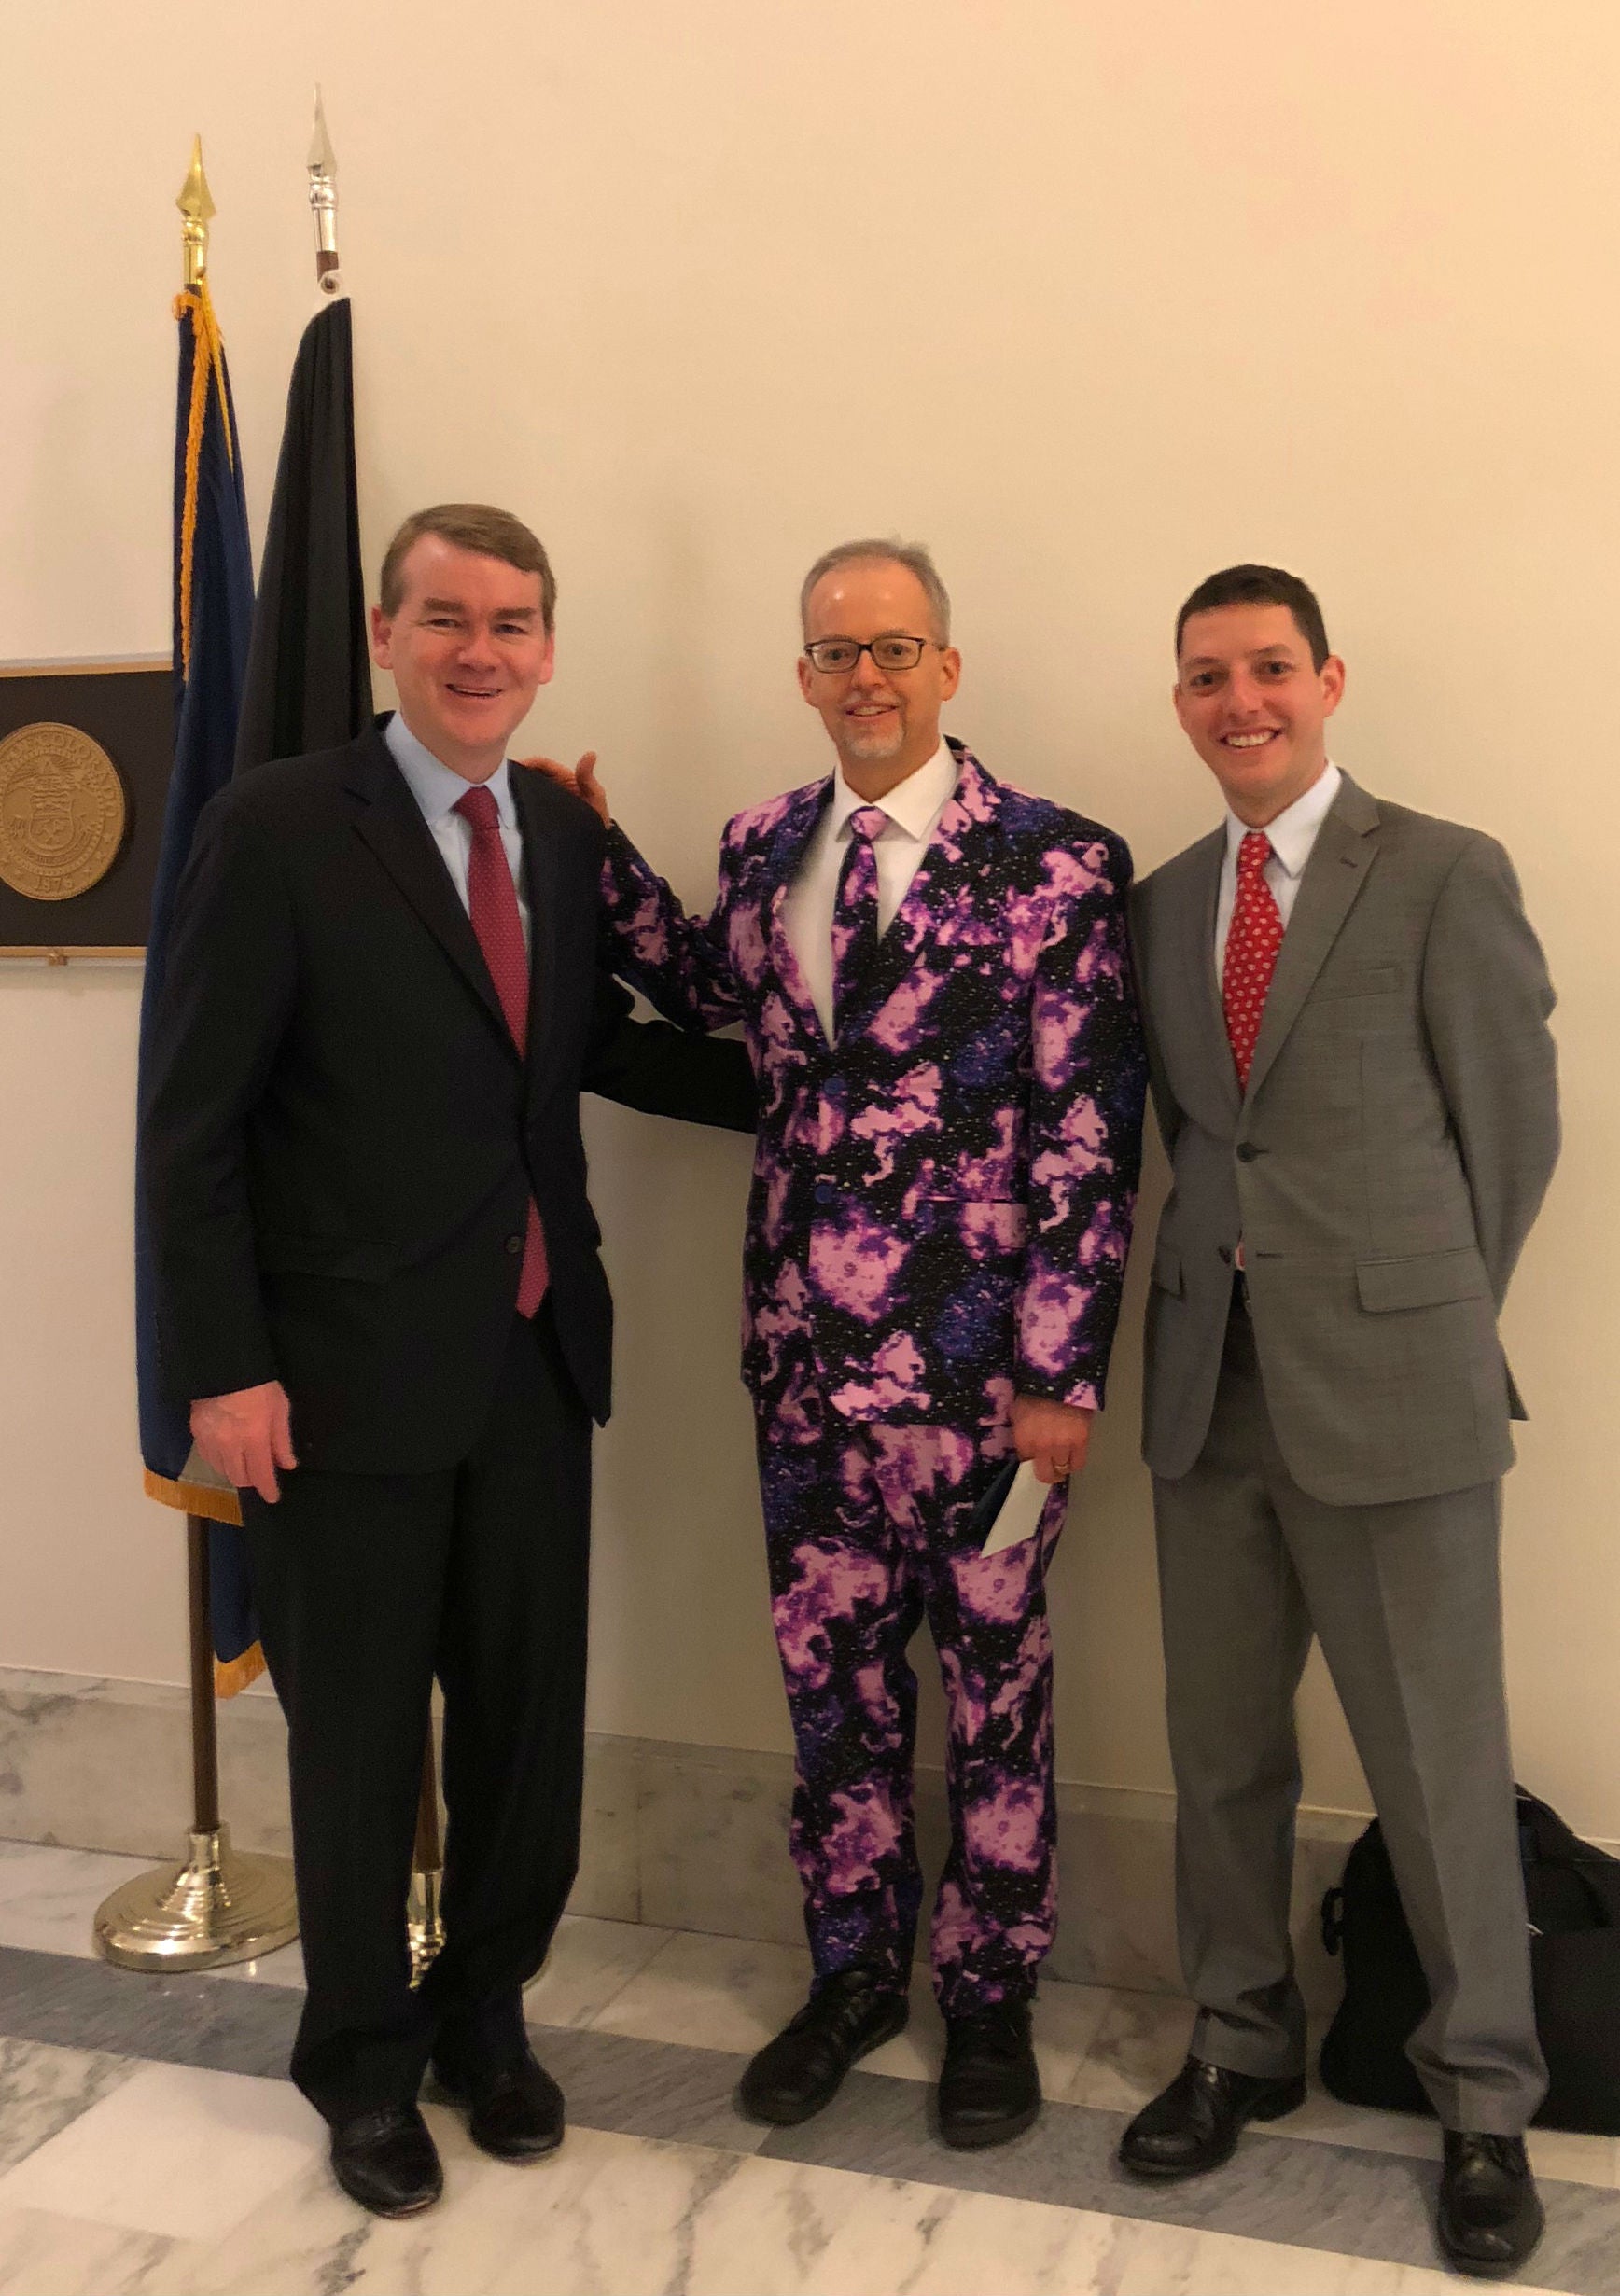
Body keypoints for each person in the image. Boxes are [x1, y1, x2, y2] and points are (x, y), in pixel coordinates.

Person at [140, 504, 755, 2219]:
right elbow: (193, 1124)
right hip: (331, 1380)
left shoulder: (556, 836)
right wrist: (224, 1365)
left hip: (533, 1357)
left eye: (514, 619)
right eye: (448, 617)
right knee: (354, 1747)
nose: (482, 648)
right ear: (388, 634)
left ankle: (489, 2015)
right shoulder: (276, 827)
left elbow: (585, 1047)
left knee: (522, 1731)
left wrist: (847, 1099)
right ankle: (362, 2064)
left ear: (550, 645)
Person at [538, 538, 1145, 2147]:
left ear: (949, 664)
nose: (864, 679)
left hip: (988, 1384)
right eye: (833, 653)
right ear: (803, 675)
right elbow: (694, 988)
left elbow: (1088, 1134)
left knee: (999, 1696)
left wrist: (1063, 1374)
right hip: (804, 1372)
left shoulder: (1058, 864)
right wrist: (592, 851)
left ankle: (993, 1996)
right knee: (836, 1701)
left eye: (893, 648)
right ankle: (854, 1972)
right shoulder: (759, 851)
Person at [1124, 564, 1558, 2278]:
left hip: (1395, 1397)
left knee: (1438, 1767)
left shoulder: (1447, 872)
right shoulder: (1161, 904)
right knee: (1221, 1752)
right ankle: (1239, 2040)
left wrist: (1406, 1315)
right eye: (1210, 674)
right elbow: (1190, 1130)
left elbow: (1508, 1141)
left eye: (1272, 668)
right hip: (1202, 1389)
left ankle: (1483, 2098)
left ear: (1330, 679)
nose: (1245, 699)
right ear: (1181, 701)